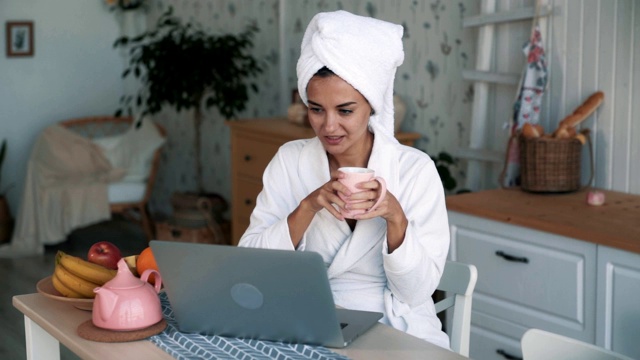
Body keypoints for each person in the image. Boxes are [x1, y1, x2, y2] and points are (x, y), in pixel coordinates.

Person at [238, 10, 450, 349]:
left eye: (345, 110)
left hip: (393, 324)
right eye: (316, 108)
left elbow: (416, 291)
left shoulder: (413, 170)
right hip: (308, 318)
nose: (329, 126)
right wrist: (307, 207)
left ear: (372, 105)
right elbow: (251, 267)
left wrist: (395, 217)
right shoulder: (291, 160)